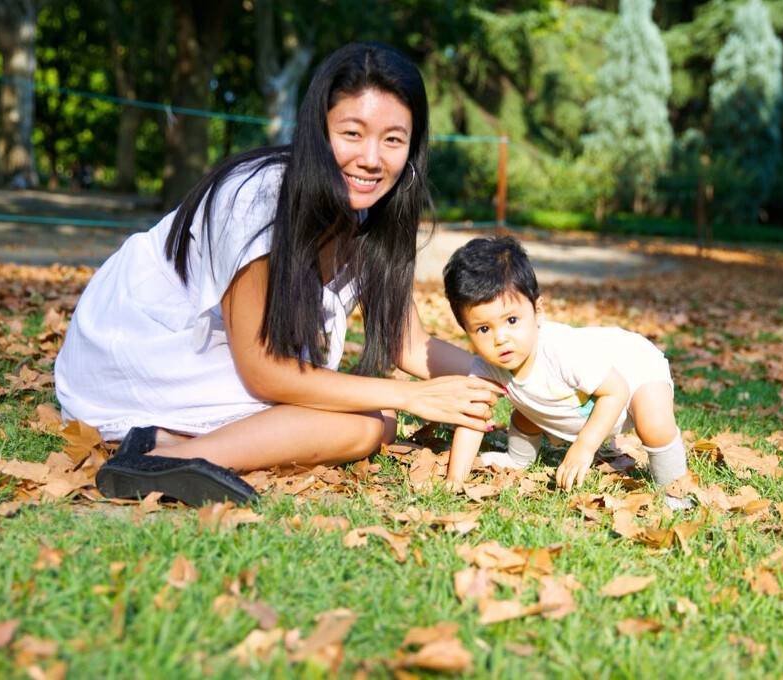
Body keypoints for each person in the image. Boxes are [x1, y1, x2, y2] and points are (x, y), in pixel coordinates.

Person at [54, 42, 502, 505]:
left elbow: (407, 344)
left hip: (211, 356)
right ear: (318, 131)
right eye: (352, 133)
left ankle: (162, 444)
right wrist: (413, 397)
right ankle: (162, 464)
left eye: (392, 140)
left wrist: (520, 370)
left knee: (377, 419)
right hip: (141, 346)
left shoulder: (375, 216)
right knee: (372, 421)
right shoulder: (258, 199)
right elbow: (265, 372)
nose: (372, 158)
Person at [440, 236, 691, 509]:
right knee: (527, 406)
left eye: (512, 320)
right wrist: (455, 478)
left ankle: (674, 489)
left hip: (630, 374)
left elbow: (616, 391)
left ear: (537, 311)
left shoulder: (562, 350)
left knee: (653, 423)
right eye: (483, 329)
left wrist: (584, 447)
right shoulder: (486, 367)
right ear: (467, 332)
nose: (501, 338)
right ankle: (518, 459)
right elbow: (472, 419)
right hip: (579, 398)